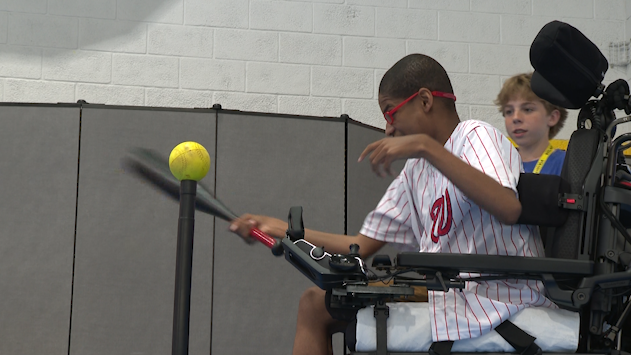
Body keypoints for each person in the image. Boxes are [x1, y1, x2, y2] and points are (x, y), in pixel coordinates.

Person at [230, 54, 553, 355]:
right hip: (451, 297)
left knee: (317, 306)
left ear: (425, 100)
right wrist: (285, 231)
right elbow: (360, 245)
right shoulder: (417, 170)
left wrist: (425, 146)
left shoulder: (475, 135)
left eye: (390, 112)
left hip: (500, 301)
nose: (388, 127)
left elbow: (508, 207)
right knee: (316, 302)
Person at [496, 73, 568, 175]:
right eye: (509, 111)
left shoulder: (567, 165)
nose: (516, 118)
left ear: (552, 117)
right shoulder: (498, 164)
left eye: (527, 109)